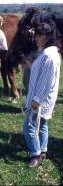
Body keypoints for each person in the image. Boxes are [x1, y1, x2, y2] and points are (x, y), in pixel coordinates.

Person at [22, 21, 61, 169]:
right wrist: (31, 66)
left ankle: (35, 154)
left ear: (47, 37)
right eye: (36, 35)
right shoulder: (47, 52)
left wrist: (36, 100)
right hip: (43, 98)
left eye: (39, 35)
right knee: (43, 124)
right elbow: (43, 73)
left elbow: (46, 82)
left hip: (40, 99)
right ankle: (43, 151)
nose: (36, 38)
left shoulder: (49, 55)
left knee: (29, 126)